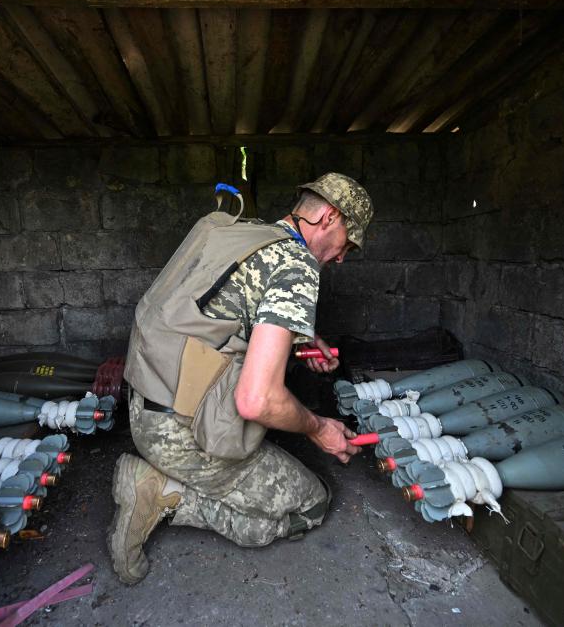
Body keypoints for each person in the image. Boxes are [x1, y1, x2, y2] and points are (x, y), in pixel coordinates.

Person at [108, 172, 374, 584]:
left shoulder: (247, 234)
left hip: (145, 402)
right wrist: (320, 428)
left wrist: (304, 341)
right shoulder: (297, 265)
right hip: (180, 434)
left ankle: (160, 481)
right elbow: (256, 400)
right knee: (311, 505)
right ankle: (161, 494)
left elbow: (221, 315)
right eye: (348, 244)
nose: (342, 257)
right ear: (330, 217)